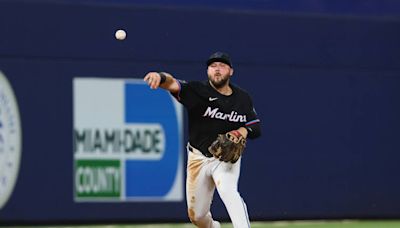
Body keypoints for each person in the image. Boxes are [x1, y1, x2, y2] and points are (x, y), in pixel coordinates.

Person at [144, 52, 261, 228]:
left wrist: (242, 131)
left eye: (222, 66)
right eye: (213, 66)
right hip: (198, 158)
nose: (217, 70)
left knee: (228, 191)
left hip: (224, 159)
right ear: (208, 71)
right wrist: (159, 77)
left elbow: (255, 127)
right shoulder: (197, 91)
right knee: (198, 217)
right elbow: (172, 83)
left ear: (231, 71)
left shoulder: (242, 98)